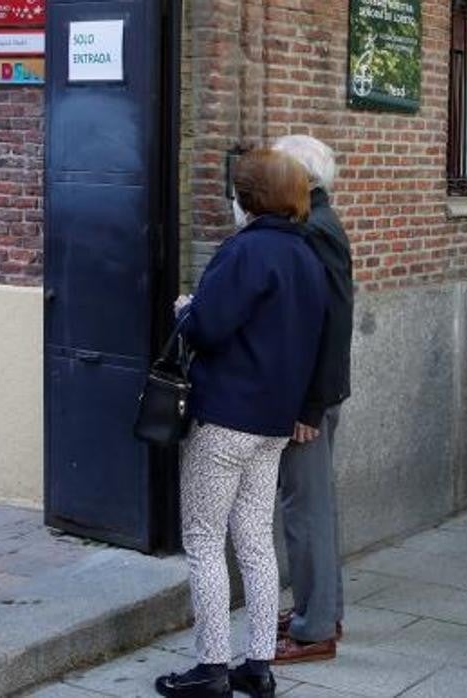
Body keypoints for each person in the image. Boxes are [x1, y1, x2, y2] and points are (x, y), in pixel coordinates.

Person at [155, 149, 327, 698]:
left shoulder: (246, 250)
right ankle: (258, 663)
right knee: (254, 541)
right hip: (273, 422)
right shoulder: (307, 255)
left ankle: (210, 667)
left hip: (225, 418)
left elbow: (207, 327)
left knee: (204, 540)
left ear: (248, 198)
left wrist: (186, 310)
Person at [266, 136, 354, 666]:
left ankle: (314, 627)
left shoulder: (316, 229)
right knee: (314, 506)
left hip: (310, 401)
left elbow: (330, 323)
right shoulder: (316, 222)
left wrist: (309, 408)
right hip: (314, 396)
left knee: (305, 510)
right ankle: (322, 608)